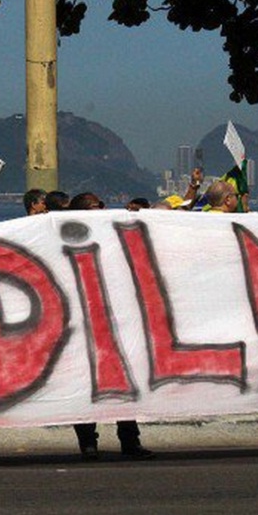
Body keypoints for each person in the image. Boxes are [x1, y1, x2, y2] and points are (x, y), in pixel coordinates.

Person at [70, 190, 154, 460]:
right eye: (98, 206)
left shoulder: (110, 237)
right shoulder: (66, 240)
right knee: (86, 387)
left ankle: (129, 441)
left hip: (115, 323)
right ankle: (88, 443)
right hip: (84, 325)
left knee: (125, 384)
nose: (104, 209)